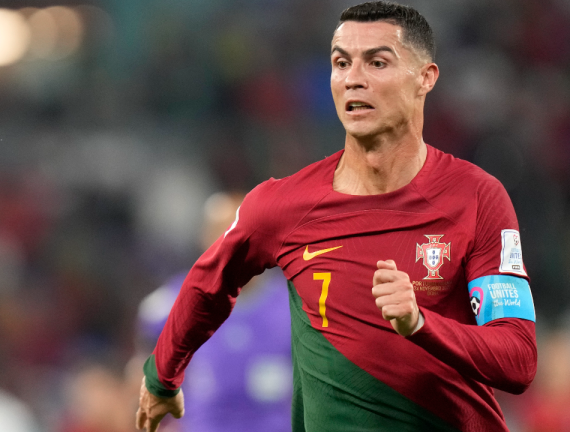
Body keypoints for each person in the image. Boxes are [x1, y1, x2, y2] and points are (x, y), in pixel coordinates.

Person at [135, 2, 538, 432]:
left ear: (425, 78)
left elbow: (517, 358)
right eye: (341, 63)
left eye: (377, 62)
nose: (353, 79)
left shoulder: (475, 196)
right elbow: (208, 282)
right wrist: (161, 377)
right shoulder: (282, 205)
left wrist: (420, 324)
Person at [134, 192, 292, 432]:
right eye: (221, 232)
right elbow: (141, 366)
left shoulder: (294, 307)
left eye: (241, 233)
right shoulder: (173, 303)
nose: (231, 244)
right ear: (205, 238)